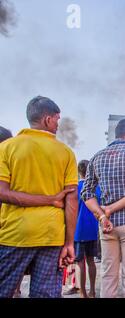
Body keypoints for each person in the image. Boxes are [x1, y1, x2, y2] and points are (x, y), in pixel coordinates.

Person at [0, 96, 78, 298]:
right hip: (51, 235)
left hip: (15, 233)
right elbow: (71, 200)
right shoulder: (66, 153)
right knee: (45, 294)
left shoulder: (7, 148)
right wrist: (69, 243)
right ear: (47, 119)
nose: (58, 125)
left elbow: (2, 193)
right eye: (57, 119)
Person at [81, 117, 125, 298]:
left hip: (107, 225)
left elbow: (86, 193)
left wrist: (103, 215)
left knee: (108, 276)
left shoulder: (97, 156)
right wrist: (109, 210)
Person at [74, 160, 100, 298]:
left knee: (80, 262)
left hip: (78, 230)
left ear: (79, 171)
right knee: (91, 261)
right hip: (93, 229)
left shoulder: (75, 187)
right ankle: (93, 291)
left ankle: (83, 293)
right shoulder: (96, 188)